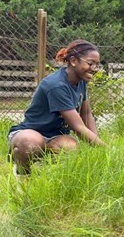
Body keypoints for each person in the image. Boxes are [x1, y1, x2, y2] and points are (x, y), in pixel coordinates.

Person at [8, 39, 104, 176]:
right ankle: (23, 174)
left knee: (70, 148)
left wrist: (96, 142)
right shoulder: (57, 85)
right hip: (31, 133)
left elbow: (86, 114)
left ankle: (45, 173)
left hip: (56, 136)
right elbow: (78, 127)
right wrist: (105, 149)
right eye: (90, 63)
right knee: (29, 144)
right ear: (73, 61)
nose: (94, 68)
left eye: (97, 65)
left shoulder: (81, 81)